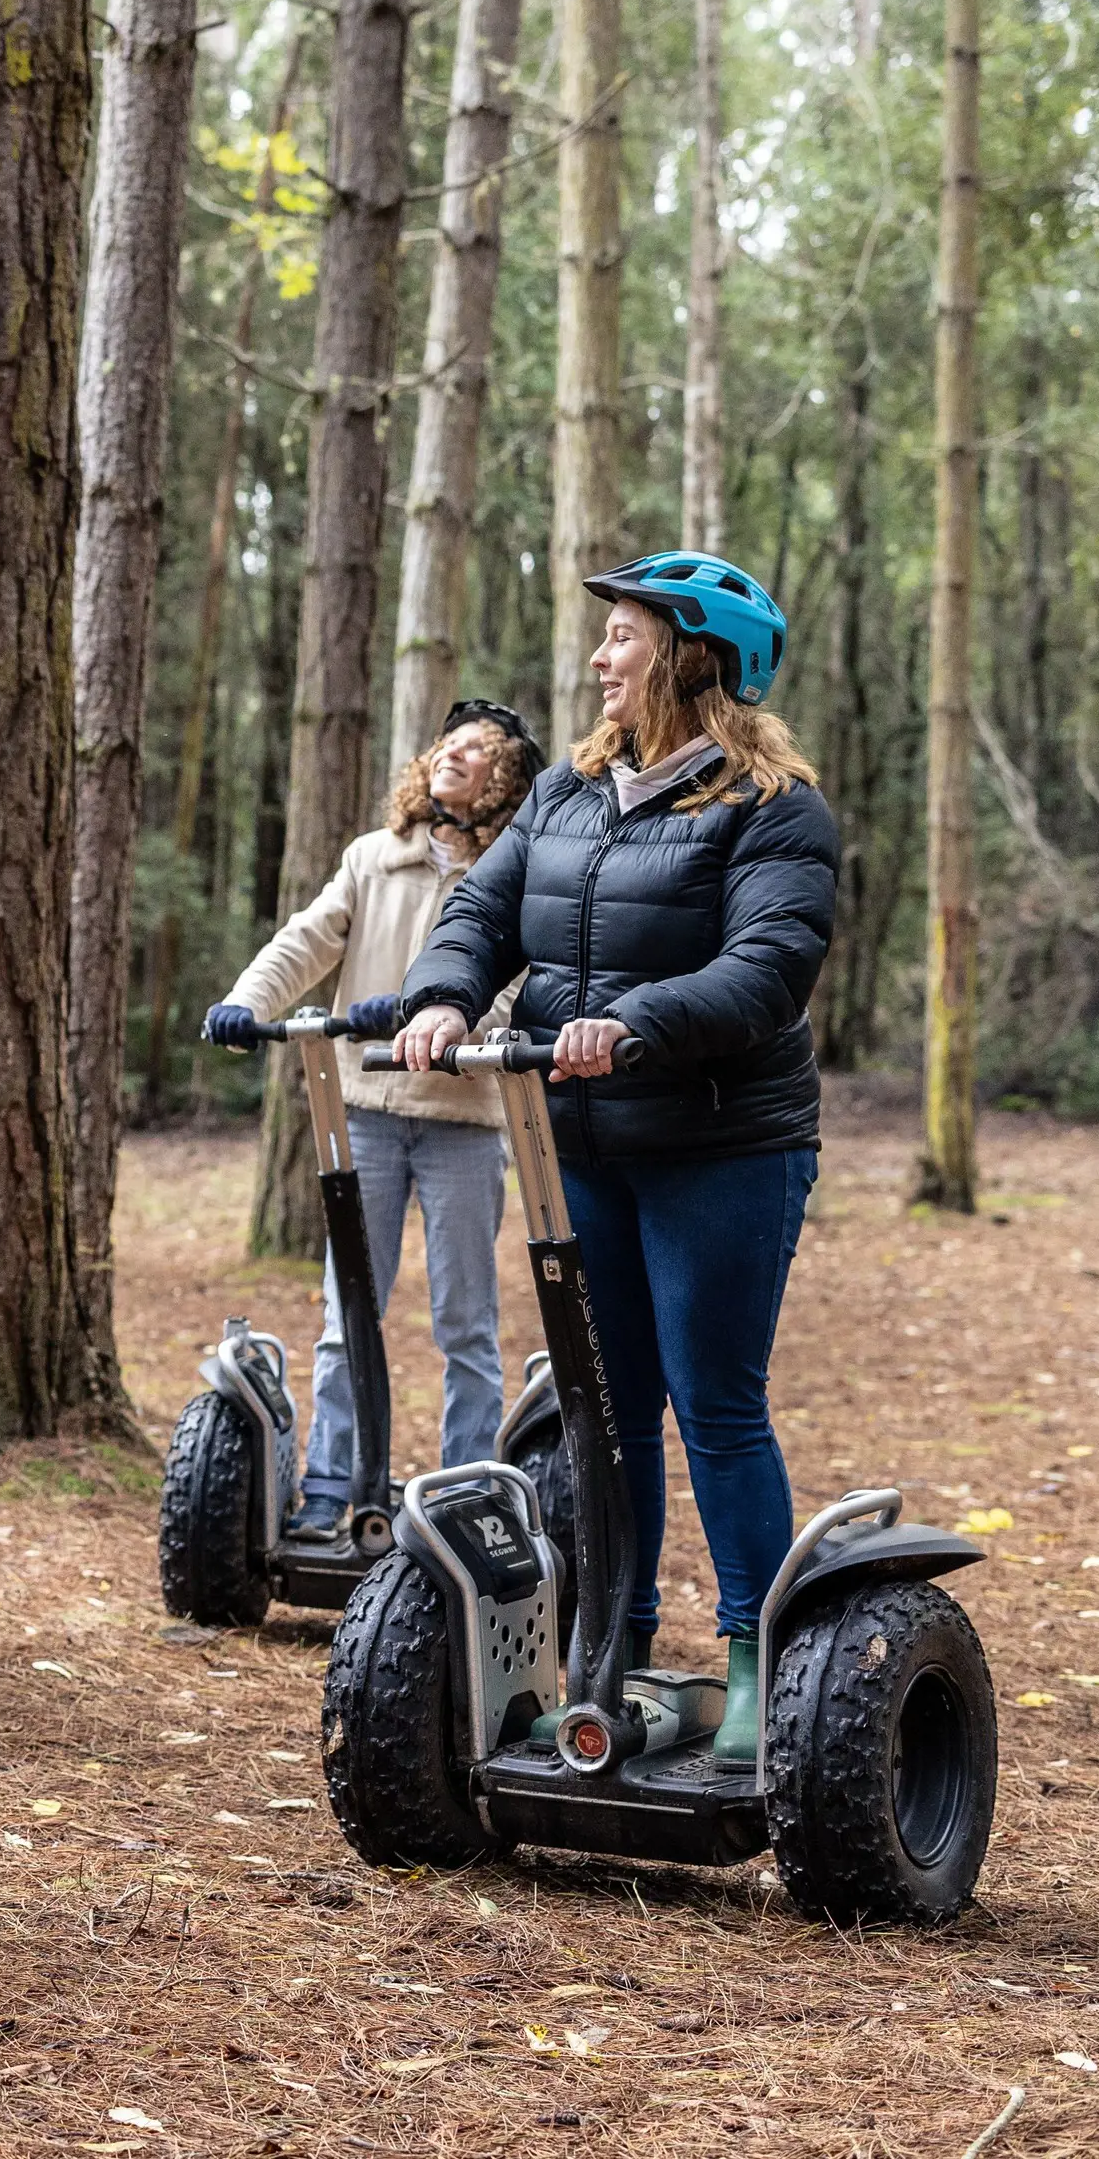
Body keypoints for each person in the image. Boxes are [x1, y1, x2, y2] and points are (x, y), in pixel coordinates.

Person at [394, 551, 833, 1763]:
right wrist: (442, 993)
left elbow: (768, 966)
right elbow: (483, 910)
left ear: (694, 658)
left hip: (720, 1148)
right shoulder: (568, 795)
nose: (600, 657)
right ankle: (619, 1656)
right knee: (604, 1410)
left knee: (716, 1406)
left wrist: (636, 1022)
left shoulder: (773, 809)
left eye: (626, 636)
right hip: (578, 1142)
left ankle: (759, 1666)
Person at [201, 700, 544, 1539]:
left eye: (475, 751)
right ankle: (332, 1480)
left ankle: (467, 1490)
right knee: (346, 1307)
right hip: (365, 1111)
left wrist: (449, 1016)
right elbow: (305, 941)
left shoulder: (513, 873)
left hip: (462, 1116)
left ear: (504, 781)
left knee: (465, 1319)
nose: (452, 756)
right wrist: (247, 1002)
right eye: (447, 745)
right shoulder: (373, 858)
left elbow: (511, 986)